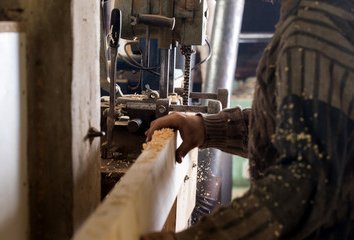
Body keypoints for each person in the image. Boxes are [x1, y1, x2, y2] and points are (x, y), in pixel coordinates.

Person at [143, 0, 354, 239]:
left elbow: (305, 187)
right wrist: (208, 128)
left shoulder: (314, 30)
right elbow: (306, 129)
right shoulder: (326, 17)